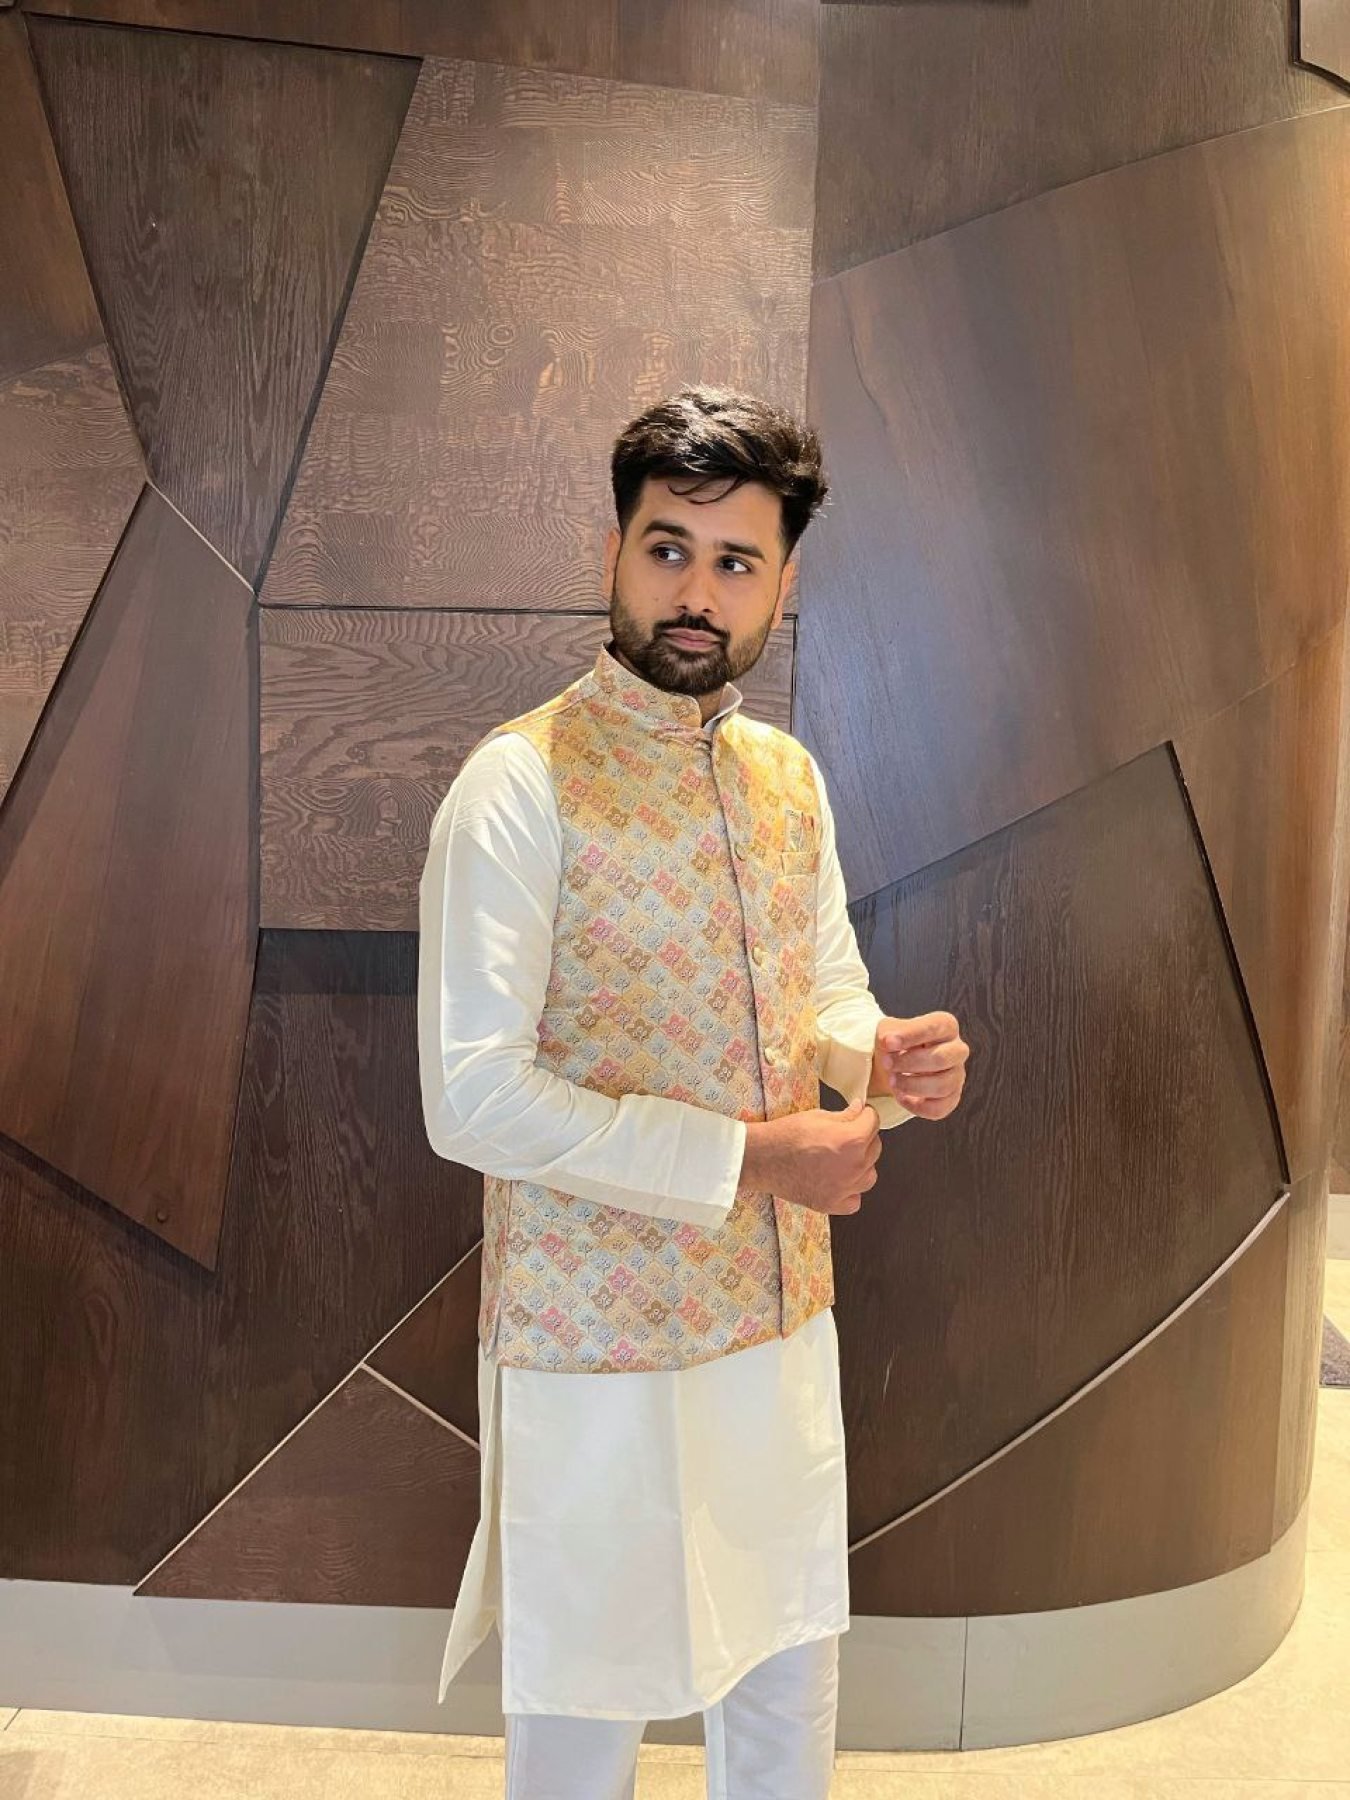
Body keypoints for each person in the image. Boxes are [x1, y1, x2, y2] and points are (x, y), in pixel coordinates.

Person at [417, 386, 969, 1799]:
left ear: (782, 584)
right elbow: (471, 1100)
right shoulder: (517, 784)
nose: (696, 594)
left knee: (785, 1680)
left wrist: (879, 1055)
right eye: (668, 549)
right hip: (587, 1338)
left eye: (735, 562)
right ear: (613, 550)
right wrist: (757, 1160)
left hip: (774, 1321)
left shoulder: (785, 777)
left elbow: (822, 989)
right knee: (583, 1712)